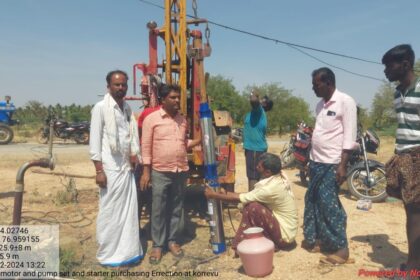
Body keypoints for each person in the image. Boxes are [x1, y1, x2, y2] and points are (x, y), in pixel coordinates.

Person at [302, 67, 358, 265]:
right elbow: (319, 134)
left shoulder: (345, 101)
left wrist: (342, 165)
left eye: (316, 85)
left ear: (328, 83)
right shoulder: (320, 105)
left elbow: (350, 136)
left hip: (333, 163)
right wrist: (310, 160)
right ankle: (320, 240)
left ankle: (341, 249)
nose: (313, 88)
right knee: (313, 201)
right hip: (317, 162)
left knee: (329, 205)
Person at [140, 84, 201, 264]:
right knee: (158, 209)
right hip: (160, 171)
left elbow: (181, 142)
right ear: (163, 100)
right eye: (173, 97)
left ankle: (172, 241)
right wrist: (146, 171)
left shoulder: (182, 120)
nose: (177, 101)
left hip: (180, 170)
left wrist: (197, 140)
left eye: (178, 97)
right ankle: (158, 245)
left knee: (176, 208)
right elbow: (146, 146)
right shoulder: (152, 119)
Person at [89, 70, 143, 267]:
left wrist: (134, 154)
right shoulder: (100, 108)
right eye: (116, 85)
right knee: (110, 212)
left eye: (123, 85)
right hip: (110, 170)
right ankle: (109, 254)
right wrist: (98, 171)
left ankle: (128, 253)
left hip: (126, 169)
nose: (121, 88)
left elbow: (130, 138)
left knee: (128, 212)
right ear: (108, 86)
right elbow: (94, 143)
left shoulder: (127, 109)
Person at [204, 152, 298, 253]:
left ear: (267, 172)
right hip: (286, 231)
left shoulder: (269, 189)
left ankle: (247, 244)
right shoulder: (278, 176)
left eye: (259, 166)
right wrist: (225, 193)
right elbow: (250, 195)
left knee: (253, 207)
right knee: (252, 204)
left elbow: (242, 198)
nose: (257, 167)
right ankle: (254, 241)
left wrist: (214, 195)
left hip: (284, 238)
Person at [382, 44, 420, 274]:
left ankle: (414, 268)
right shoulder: (397, 93)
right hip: (404, 156)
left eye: (389, 66)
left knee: (415, 211)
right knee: (410, 210)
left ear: (405, 64)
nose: (386, 71)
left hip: (418, 156)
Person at [243, 91, 268, 191]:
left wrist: (254, 94)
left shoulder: (259, 111)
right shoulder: (251, 114)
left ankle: (253, 204)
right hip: (251, 149)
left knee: (253, 176)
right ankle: (255, 201)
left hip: (255, 150)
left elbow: (254, 101)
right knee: (254, 175)